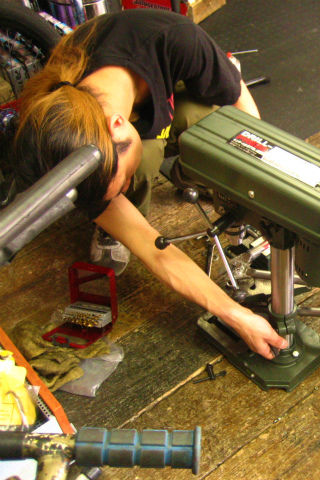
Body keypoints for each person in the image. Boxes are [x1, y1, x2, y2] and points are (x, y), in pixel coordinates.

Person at [12, 9, 288, 360]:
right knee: (141, 165)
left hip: (172, 86)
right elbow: (155, 251)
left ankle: (188, 170)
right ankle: (125, 204)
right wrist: (237, 315)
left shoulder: (175, 39)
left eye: (120, 183)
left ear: (118, 124)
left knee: (223, 129)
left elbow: (249, 120)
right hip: (138, 122)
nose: (122, 191)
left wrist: (261, 187)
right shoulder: (56, 142)